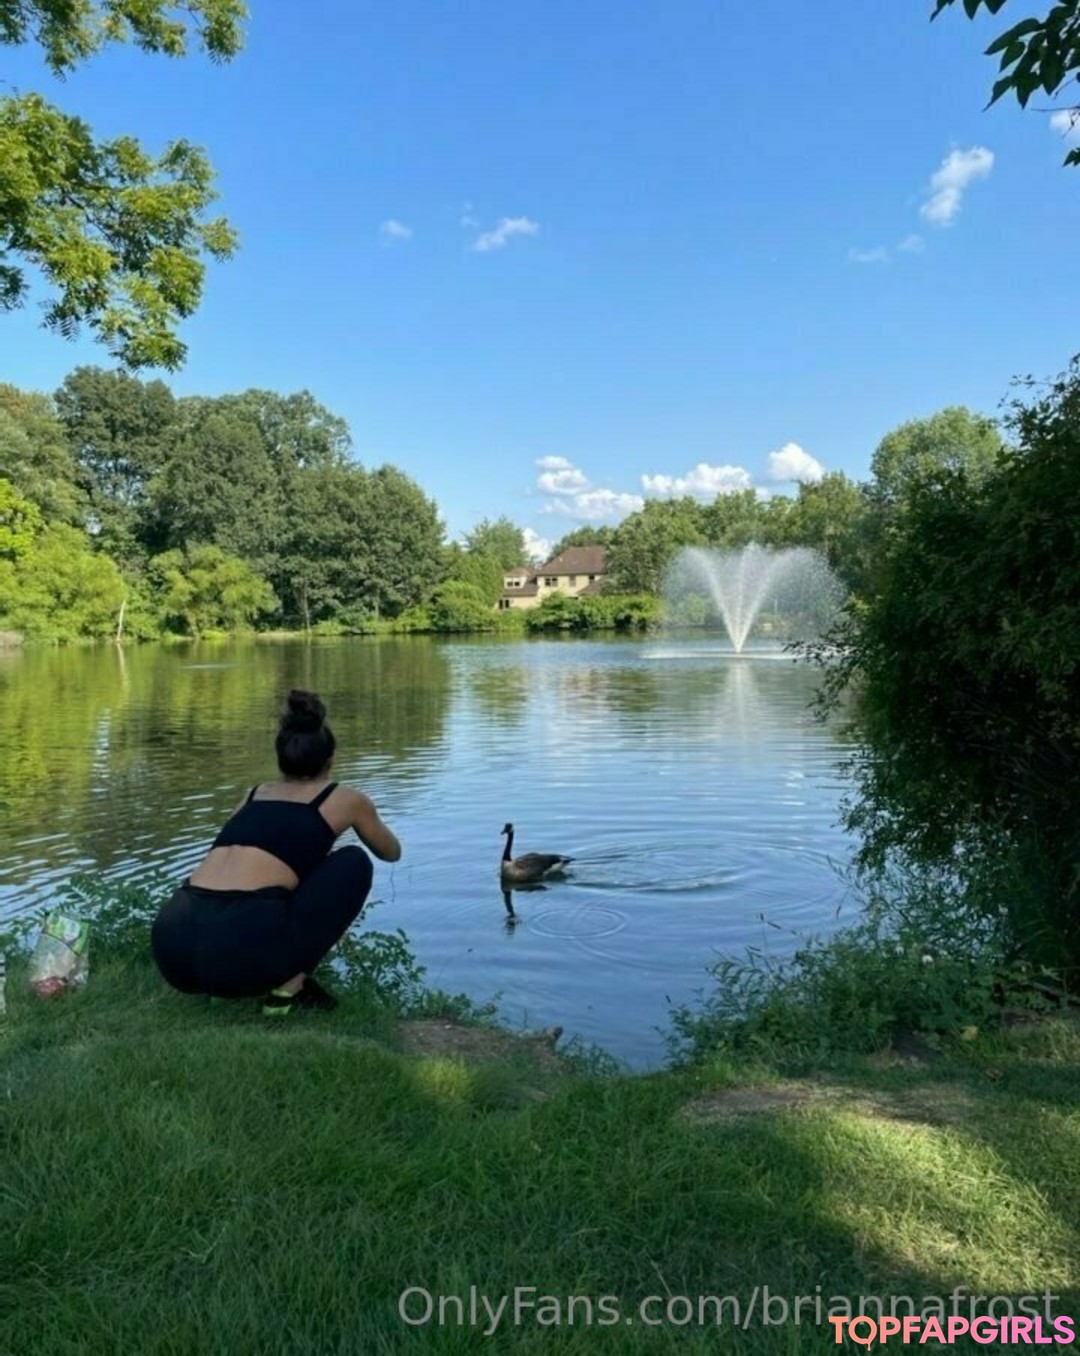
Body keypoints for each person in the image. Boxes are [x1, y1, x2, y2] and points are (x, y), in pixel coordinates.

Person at [151, 688, 401, 1015]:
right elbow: (390, 852)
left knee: (255, 884)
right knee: (354, 862)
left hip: (173, 952)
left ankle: (221, 981)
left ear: (280, 760)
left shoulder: (253, 795)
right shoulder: (344, 798)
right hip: (240, 951)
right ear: (330, 759)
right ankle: (288, 989)